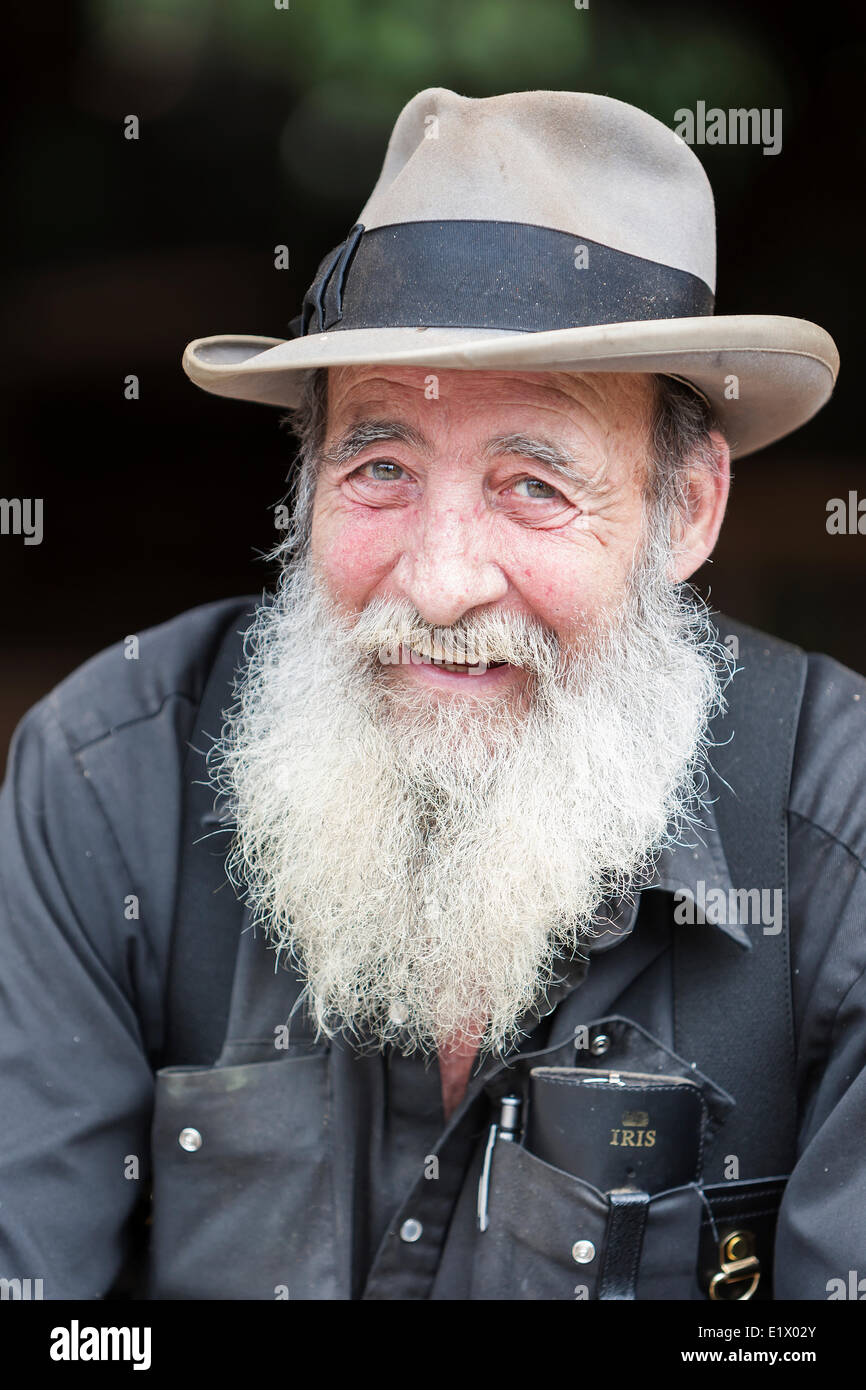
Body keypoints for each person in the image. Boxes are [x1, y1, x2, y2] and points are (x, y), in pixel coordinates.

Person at [0, 87, 861, 1302]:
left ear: (688, 510)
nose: (441, 581)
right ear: (305, 486)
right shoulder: (104, 777)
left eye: (531, 484)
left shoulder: (840, 834)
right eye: (382, 464)